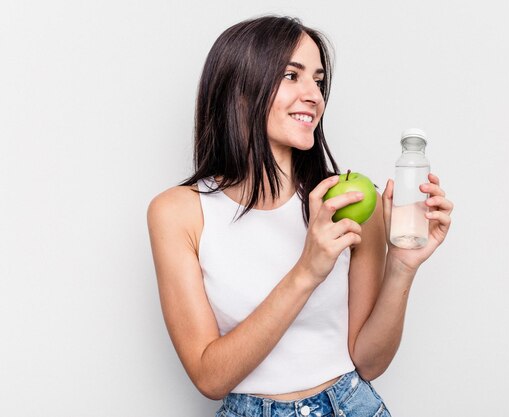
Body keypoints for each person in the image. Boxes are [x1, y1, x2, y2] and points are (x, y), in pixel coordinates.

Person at [147, 15, 453, 417]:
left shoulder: (352, 201)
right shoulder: (178, 213)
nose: (314, 95)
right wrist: (308, 269)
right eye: (292, 76)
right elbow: (209, 377)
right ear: (239, 89)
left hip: (351, 406)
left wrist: (401, 265)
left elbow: (368, 361)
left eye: (319, 81)